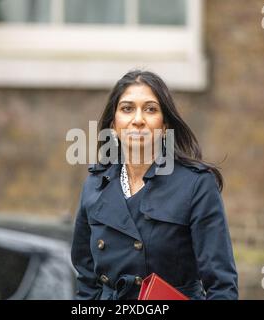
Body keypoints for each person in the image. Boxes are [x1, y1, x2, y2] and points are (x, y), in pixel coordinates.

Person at [71, 70, 238, 300]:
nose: (138, 119)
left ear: (164, 124)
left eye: (150, 109)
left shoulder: (196, 184)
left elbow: (222, 287)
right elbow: (87, 282)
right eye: (127, 108)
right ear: (114, 124)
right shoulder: (95, 185)